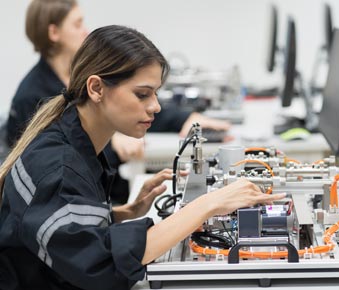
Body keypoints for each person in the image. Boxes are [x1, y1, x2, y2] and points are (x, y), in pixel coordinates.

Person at [0, 25, 283, 290]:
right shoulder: (57, 166)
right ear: (96, 88)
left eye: (156, 93)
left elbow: (65, 229)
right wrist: (209, 205)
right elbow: (100, 261)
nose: (156, 106)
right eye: (142, 94)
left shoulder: (74, 138)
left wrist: (124, 213)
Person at [5, 0, 231, 203]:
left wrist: (184, 118)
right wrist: (205, 207)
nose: (85, 30)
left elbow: (131, 101)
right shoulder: (33, 97)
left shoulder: (74, 78)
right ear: (53, 32)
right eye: (77, 24)